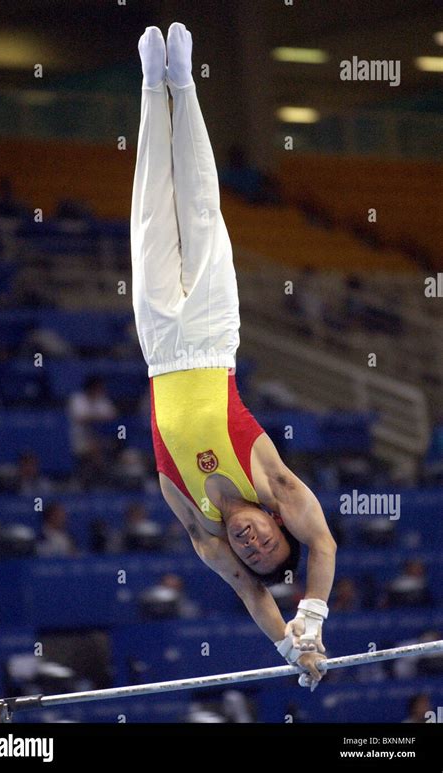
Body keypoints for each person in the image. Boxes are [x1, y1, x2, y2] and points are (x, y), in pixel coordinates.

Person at [131, 23, 336, 690]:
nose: (252, 541)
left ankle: (148, 82)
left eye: (248, 550)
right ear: (279, 522)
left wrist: (285, 648)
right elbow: (326, 544)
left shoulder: (197, 518)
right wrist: (311, 617)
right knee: (198, 204)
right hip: (214, 335)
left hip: (159, 348)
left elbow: (249, 592)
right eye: (269, 541)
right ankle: (184, 83)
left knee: (150, 214)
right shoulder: (272, 483)